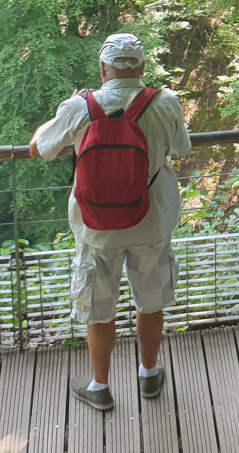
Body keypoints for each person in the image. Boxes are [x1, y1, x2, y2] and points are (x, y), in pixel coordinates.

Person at [29, 33, 192, 411]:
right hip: (151, 223)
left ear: (103, 68)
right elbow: (182, 149)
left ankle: (100, 387)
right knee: (150, 303)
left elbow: (38, 149)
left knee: (99, 310)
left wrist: (60, 117)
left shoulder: (79, 107)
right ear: (142, 67)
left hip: (96, 227)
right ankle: (148, 375)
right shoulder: (165, 102)